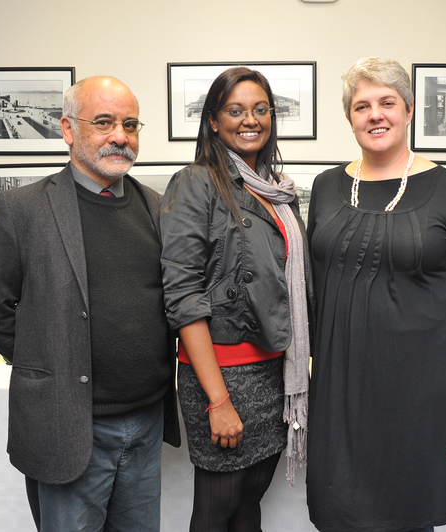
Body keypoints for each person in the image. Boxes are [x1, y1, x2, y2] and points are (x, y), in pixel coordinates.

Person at [0, 76, 180, 532]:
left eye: (130, 124)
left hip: (145, 420)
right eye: (103, 122)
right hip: (68, 422)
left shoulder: (156, 208)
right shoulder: (22, 209)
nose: (120, 136)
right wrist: (46, 361)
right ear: (67, 129)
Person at [305, 57, 446, 532]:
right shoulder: (327, 186)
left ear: (409, 110)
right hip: (340, 387)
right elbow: (310, 287)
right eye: (361, 106)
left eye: (387, 102)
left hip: (421, 393)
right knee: (337, 513)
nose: (375, 115)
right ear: (350, 118)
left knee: (405, 517)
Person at [160, 67, 311, 532]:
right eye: (236, 110)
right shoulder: (196, 182)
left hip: (273, 371)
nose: (251, 120)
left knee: (250, 504)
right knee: (215, 509)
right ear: (212, 120)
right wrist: (218, 400)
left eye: (261, 109)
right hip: (221, 375)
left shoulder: (278, 192)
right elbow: (182, 295)